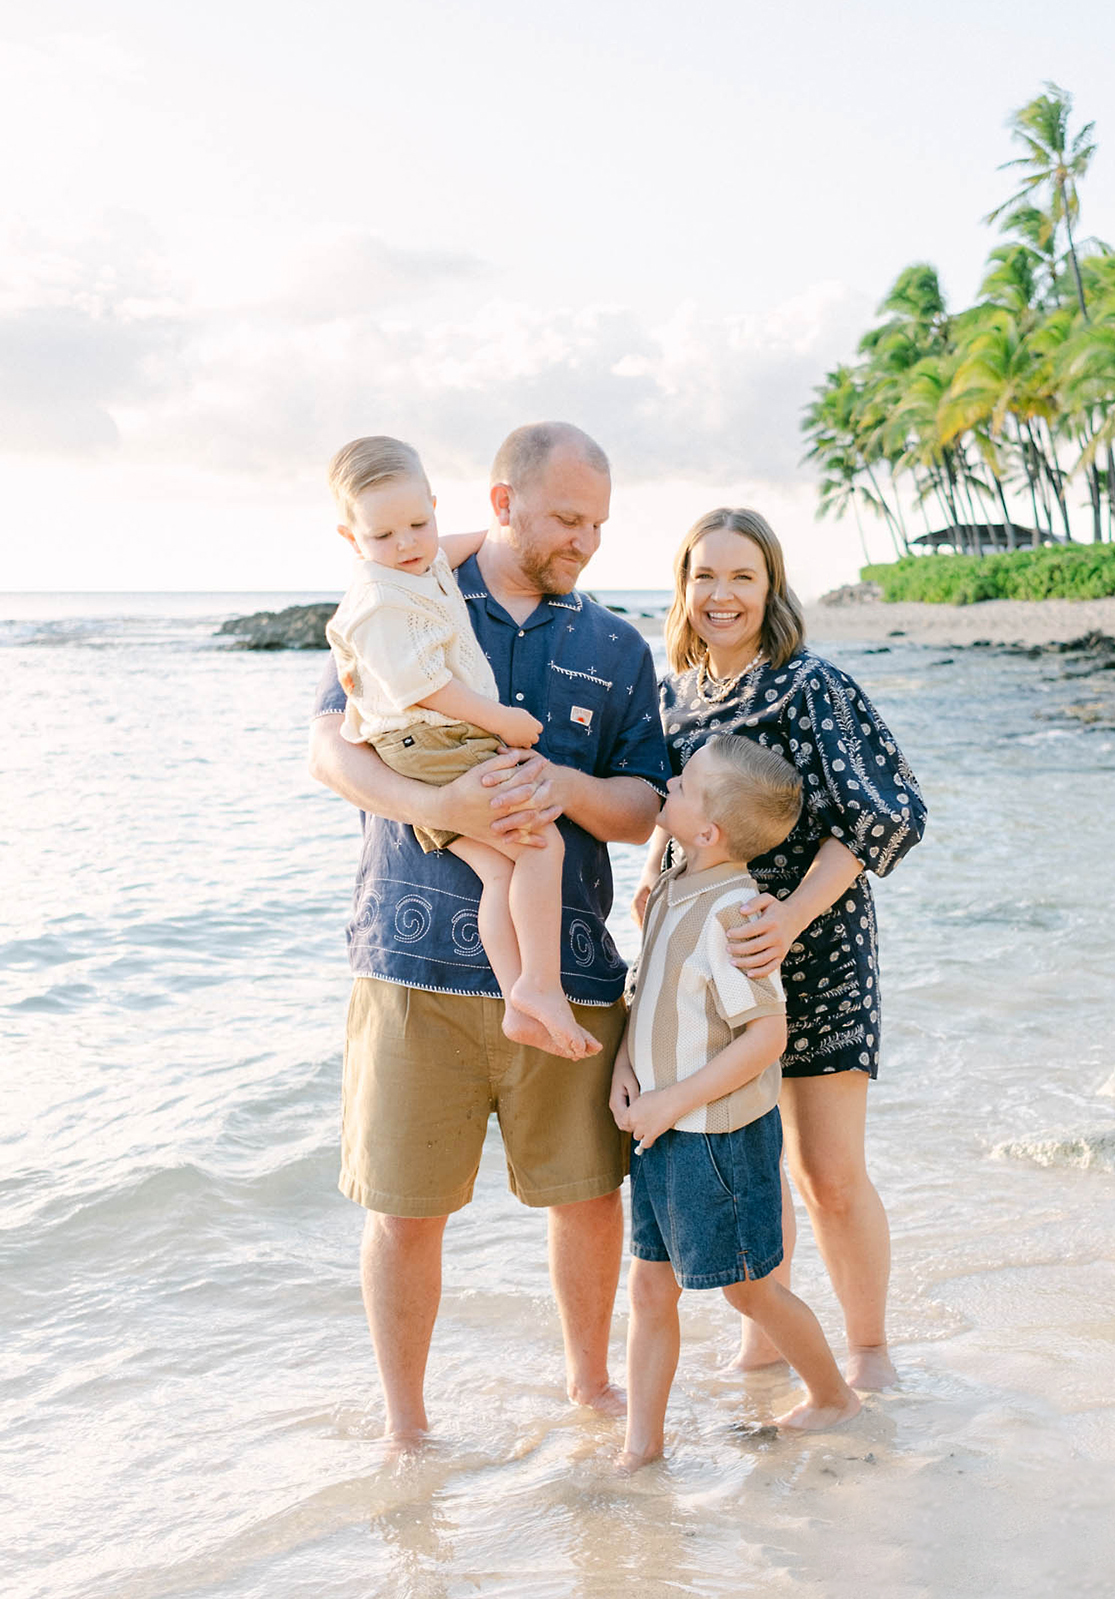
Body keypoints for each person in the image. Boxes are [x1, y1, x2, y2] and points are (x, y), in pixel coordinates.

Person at [309, 422, 670, 1442]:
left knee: (590, 1198)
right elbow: (331, 751)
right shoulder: (410, 582)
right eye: (566, 517)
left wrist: (561, 784)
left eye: (599, 522)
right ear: (502, 504)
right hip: (410, 962)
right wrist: (451, 809)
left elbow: (647, 807)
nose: (586, 540)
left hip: (572, 965)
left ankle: (591, 1392)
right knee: (402, 1210)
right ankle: (407, 1433)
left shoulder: (616, 645)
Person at [633, 508, 926, 1392]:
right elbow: (671, 804)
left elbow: (888, 812)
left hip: (818, 951)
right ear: (684, 588)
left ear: (771, 587)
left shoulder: (813, 685)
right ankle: (770, 1345)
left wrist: (792, 916)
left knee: (825, 1172)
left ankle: (869, 1351)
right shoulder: (673, 695)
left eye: (742, 578)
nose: (722, 595)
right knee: (749, 1160)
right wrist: (655, 876)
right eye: (705, 576)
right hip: (711, 970)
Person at [610, 735, 861, 1471]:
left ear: (710, 829)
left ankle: (833, 1395)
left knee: (749, 1289)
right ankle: (641, 1447)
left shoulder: (735, 915)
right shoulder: (673, 879)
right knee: (651, 1285)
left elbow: (765, 1036)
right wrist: (628, 1066)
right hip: (660, 1124)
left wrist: (673, 1100)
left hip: (714, 1135)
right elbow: (647, 993)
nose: (669, 786)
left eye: (683, 787)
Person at [324, 434, 598, 1062]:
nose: (408, 545)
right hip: (433, 737)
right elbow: (429, 688)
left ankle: (518, 1001)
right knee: (540, 842)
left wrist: (499, 533)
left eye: (420, 523)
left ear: (432, 507)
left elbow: (454, 547)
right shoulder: (379, 599)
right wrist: (504, 721)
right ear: (351, 540)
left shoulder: (420, 562)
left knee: (502, 868)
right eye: (384, 536)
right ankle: (543, 986)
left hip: (427, 739)